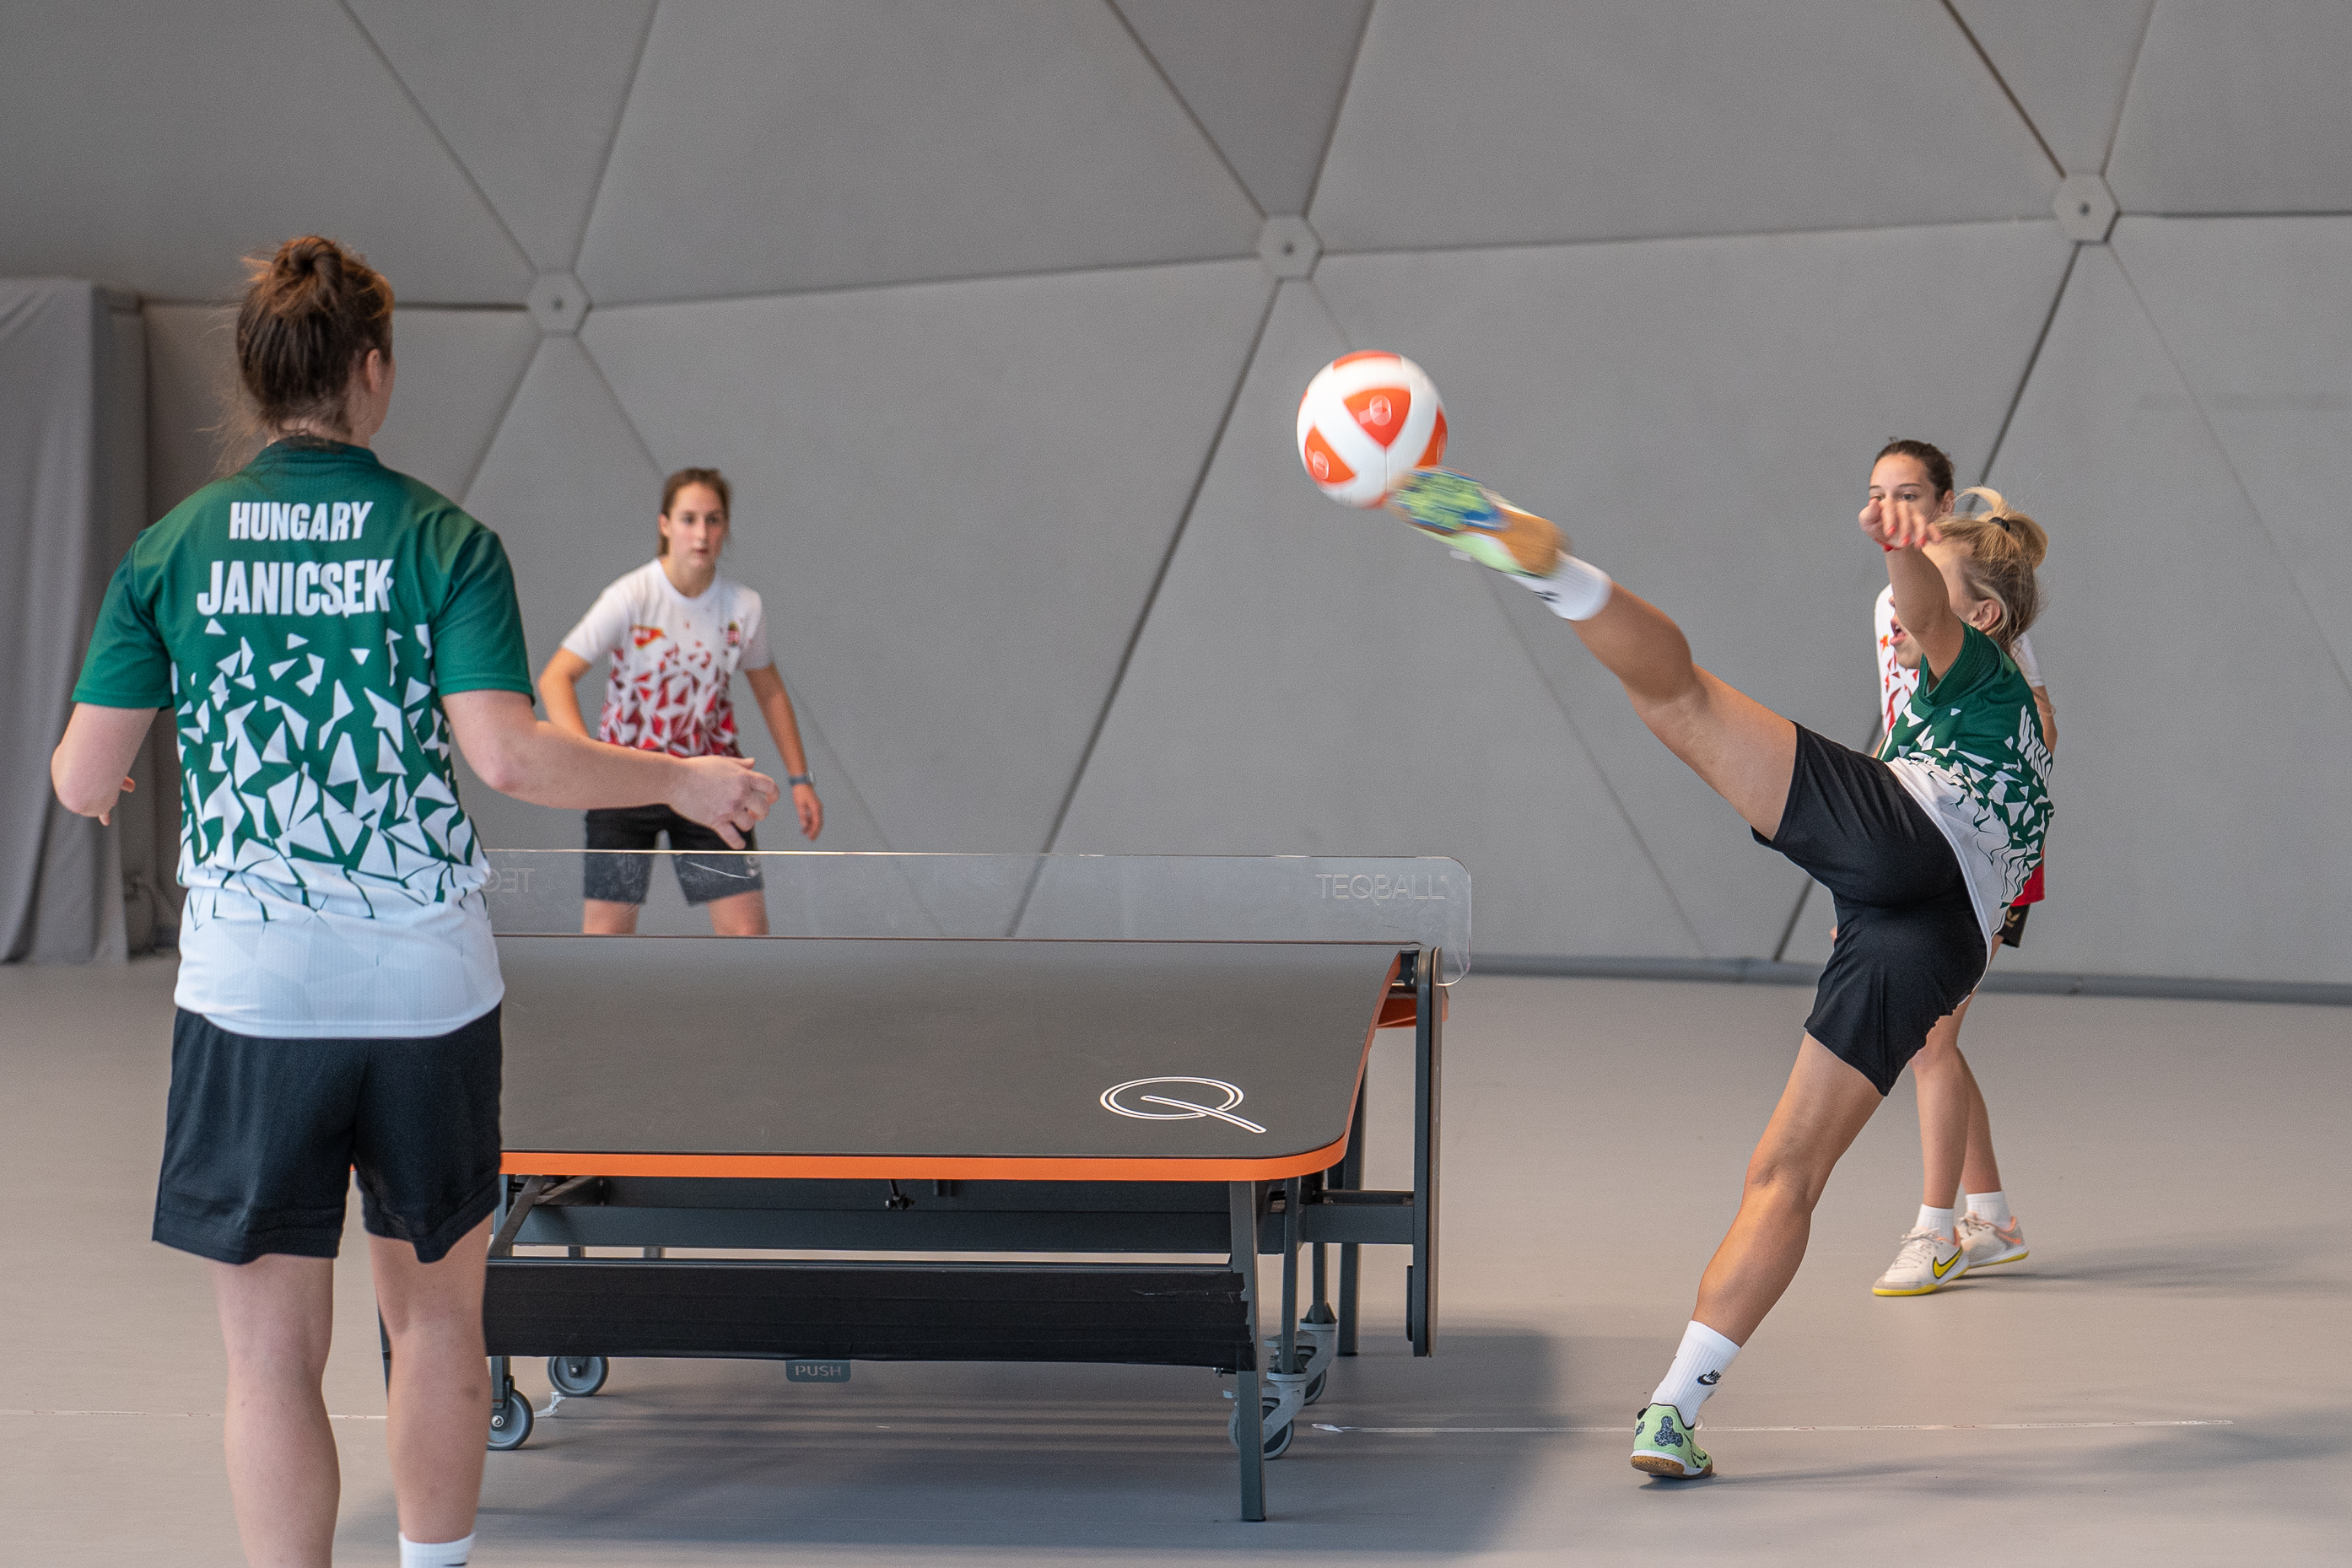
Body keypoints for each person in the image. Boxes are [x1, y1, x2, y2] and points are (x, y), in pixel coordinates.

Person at [49, 235, 777, 1568]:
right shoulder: (446, 540)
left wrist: (127, 768)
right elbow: (511, 755)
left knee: (269, 1355)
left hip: (251, 991)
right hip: (425, 991)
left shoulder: (171, 549)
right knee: (437, 1319)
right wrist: (685, 776)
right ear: (372, 371)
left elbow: (84, 775)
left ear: (257, 375)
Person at [1378, 447, 2048, 1482]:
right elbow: (2001, 856)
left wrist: (1905, 551)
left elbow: (1923, 612)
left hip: (1909, 832)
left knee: (1678, 699)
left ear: (1987, 616)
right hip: (1934, 929)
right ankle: (1672, 1409)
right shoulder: (2019, 718)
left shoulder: (1978, 664)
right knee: (1787, 1171)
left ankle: (1553, 573)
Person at [1858, 444, 2054, 1296]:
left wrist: (1991, 799)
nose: (1889, 507)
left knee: (1930, 1037)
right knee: (1936, 1037)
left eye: (1907, 495)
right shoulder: (1897, 604)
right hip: (1925, 834)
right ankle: (1994, 1218)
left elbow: (2038, 722)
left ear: (1941, 504)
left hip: (1981, 851)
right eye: (1877, 494)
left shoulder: (1978, 633)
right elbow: (1901, 725)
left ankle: (1936, 1230)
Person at [537, 467, 823, 935]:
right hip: (626, 779)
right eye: (689, 519)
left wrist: (800, 780)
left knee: (746, 934)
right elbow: (556, 677)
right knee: (605, 936)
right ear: (665, 525)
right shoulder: (631, 596)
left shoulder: (743, 607)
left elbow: (770, 690)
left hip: (710, 779)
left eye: (713, 520)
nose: (702, 533)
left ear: (725, 527)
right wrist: (588, 761)